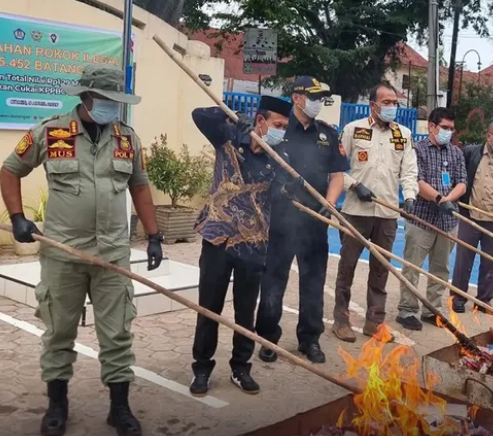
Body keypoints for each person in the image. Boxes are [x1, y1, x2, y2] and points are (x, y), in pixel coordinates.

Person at [0, 65, 163, 436]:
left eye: (117, 101)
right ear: (87, 97)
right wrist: (18, 217)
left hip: (112, 255)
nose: (113, 107)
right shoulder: (51, 132)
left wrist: (154, 236)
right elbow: (10, 171)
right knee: (59, 333)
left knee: (118, 334)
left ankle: (119, 408)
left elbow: (139, 186)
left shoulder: (127, 138)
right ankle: (57, 406)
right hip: (63, 255)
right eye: (106, 99)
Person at [189, 96, 301, 396]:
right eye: (277, 125)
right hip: (218, 237)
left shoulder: (279, 156)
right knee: (209, 308)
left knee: (245, 312)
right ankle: (202, 368)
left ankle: (241, 367)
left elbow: (278, 196)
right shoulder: (227, 138)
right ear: (260, 121)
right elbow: (200, 114)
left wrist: (289, 190)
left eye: (285, 127)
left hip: (253, 243)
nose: (280, 132)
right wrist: (234, 118)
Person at [256, 76, 349, 363]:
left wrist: (329, 203)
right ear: (297, 98)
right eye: (314, 97)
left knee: (313, 283)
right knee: (273, 281)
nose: (319, 103)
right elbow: (260, 164)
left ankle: (310, 340)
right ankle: (268, 338)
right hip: (281, 220)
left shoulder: (327, 134)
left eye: (321, 98)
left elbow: (337, 175)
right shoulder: (279, 127)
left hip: (314, 221)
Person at [331, 83, 418, 342]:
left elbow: (409, 170)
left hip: (387, 215)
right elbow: (336, 168)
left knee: (380, 270)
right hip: (356, 212)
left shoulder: (403, 134)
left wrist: (410, 197)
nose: (392, 107)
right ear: (373, 105)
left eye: (395, 103)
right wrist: (354, 185)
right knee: (347, 267)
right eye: (386, 102)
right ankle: (340, 320)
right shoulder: (353, 129)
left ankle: (374, 322)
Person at [396, 107, 467, 331]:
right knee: (413, 266)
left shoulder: (456, 153)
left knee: (441, 268)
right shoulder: (417, 150)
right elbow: (416, 181)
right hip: (421, 219)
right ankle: (407, 310)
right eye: (444, 127)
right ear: (432, 126)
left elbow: (462, 183)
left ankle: (432, 310)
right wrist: (438, 199)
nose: (448, 132)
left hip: (447, 222)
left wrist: (448, 200)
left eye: (451, 128)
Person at [451, 121, 493, 313]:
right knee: (463, 261)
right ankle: (458, 298)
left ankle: (483, 301)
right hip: (469, 217)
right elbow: (459, 179)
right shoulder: (470, 153)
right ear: (489, 137)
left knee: (490, 264)